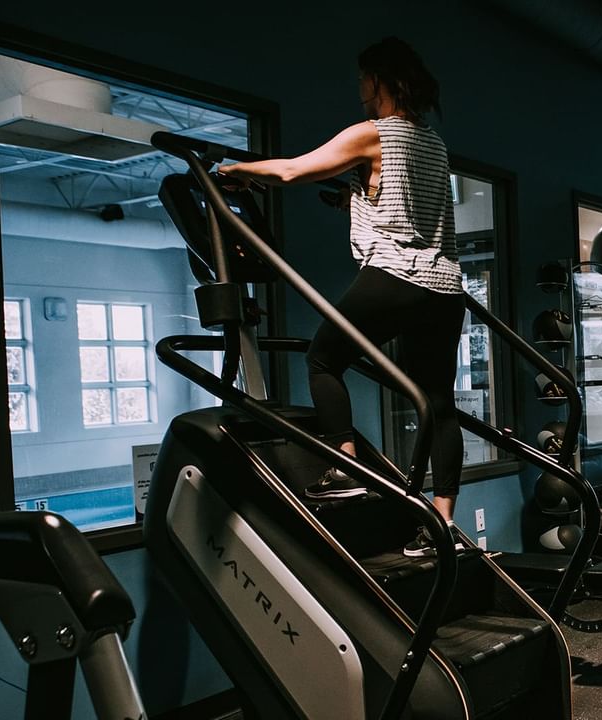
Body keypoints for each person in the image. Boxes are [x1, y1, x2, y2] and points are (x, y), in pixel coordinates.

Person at [217, 37, 464, 557]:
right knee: (438, 404)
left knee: (323, 358)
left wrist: (234, 172)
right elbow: (402, 205)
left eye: (362, 79)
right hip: (445, 286)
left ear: (380, 80)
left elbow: (290, 170)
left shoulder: (373, 133)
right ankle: (441, 528)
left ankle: (344, 466)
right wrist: (352, 199)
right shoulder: (433, 141)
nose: (359, 89)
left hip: (396, 274)